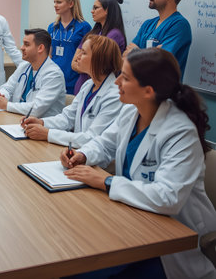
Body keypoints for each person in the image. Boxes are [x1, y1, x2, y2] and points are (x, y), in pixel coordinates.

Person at [62, 48, 216, 279]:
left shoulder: (180, 133)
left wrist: (107, 181)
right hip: (131, 222)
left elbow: (168, 197)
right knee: (71, 255)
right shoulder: (131, 113)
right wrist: (82, 155)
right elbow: (104, 144)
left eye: (125, 77)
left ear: (148, 91)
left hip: (168, 246)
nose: (117, 83)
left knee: (79, 272)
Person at [22, 35, 123, 147]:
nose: (77, 57)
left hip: (96, 160)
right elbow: (67, 117)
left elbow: (91, 138)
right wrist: (42, 122)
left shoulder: (114, 96)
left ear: (99, 59)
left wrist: (48, 134)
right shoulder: (88, 85)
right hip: (78, 151)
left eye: (83, 53)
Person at [123, 0, 191, 78]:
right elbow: (125, 57)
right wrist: (148, 54)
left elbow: (158, 64)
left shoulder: (179, 25)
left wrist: (136, 51)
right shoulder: (147, 24)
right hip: (140, 89)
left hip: (164, 92)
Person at [0, 29, 65, 117]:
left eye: (26, 44)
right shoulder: (24, 66)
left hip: (43, 127)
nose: (21, 48)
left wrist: (6, 105)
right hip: (19, 119)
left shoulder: (54, 75)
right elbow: (7, 88)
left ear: (40, 48)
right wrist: (2, 96)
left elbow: (36, 109)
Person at [73, 0, 126, 94]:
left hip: (99, 89)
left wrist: (83, 65)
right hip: (83, 86)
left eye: (96, 8)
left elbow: (99, 65)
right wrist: (85, 64)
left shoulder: (114, 35)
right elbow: (74, 63)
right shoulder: (92, 33)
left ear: (107, 11)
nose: (92, 11)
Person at [48, 0, 91, 94]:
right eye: (54, 2)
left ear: (71, 4)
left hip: (73, 80)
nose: (55, 5)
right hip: (53, 79)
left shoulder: (84, 27)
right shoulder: (52, 27)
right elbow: (49, 55)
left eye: (59, 2)